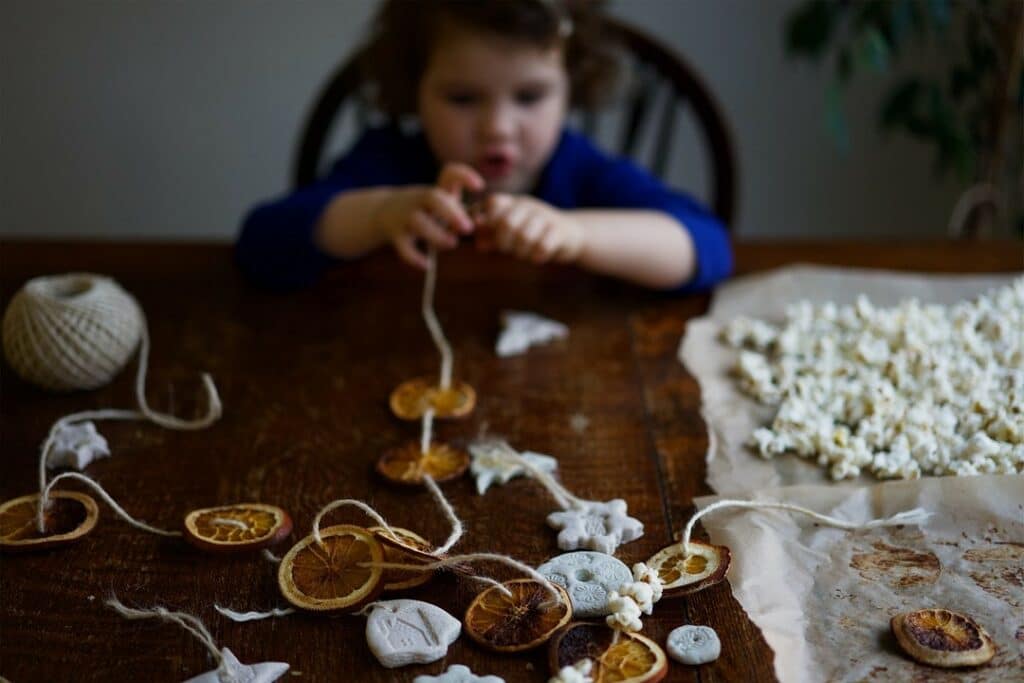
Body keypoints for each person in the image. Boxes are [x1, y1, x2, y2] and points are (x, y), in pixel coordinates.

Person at [236, 0, 732, 292]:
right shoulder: (388, 163)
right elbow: (262, 243)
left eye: (530, 96)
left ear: (572, 88)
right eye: (462, 97)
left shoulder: (581, 173)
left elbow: (706, 246)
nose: (498, 127)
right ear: (414, 89)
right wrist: (379, 214)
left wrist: (575, 234)